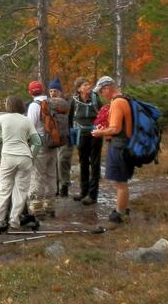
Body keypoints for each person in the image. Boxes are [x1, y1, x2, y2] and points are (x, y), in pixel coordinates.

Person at [0, 96, 41, 233]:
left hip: (8, 157)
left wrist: (3, 138)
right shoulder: (26, 120)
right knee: (20, 192)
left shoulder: (2, 118)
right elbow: (37, 142)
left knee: (4, 189)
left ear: (8, 106)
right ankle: (14, 223)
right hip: (24, 157)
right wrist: (31, 156)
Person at [91, 75, 133, 224]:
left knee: (120, 183)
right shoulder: (125, 99)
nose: (101, 95)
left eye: (101, 91)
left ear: (107, 88)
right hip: (124, 145)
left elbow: (115, 129)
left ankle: (120, 214)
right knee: (122, 181)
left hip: (119, 146)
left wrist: (99, 132)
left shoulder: (117, 103)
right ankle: (123, 209)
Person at [26, 80, 58, 219]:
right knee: (51, 174)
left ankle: (37, 206)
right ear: (43, 89)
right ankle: (50, 205)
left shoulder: (34, 106)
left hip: (40, 144)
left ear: (30, 92)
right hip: (53, 142)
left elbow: (30, 126)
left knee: (38, 175)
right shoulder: (52, 102)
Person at [71, 77, 103, 205]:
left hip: (95, 134)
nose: (88, 87)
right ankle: (83, 192)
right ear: (79, 89)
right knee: (83, 162)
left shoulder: (95, 98)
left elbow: (102, 115)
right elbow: (70, 118)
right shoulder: (74, 101)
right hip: (81, 134)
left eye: (89, 85)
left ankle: (93, 195)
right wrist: (70, 134)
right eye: (85, 85)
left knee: (95, 163)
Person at [48, 78, 72, 197]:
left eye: (55, 91)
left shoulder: (68, 104)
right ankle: (55, 186)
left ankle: (64, 185)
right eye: (51, 91)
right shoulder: (46, 105)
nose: (53, 93)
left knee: (63, 161)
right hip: (52, 139)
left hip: (65, 138)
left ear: (60, 92)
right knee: (53, 162)